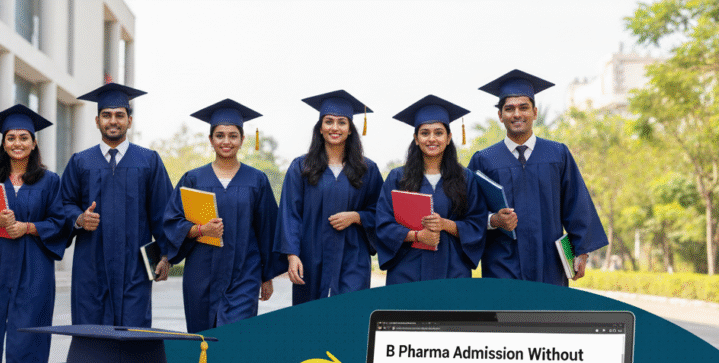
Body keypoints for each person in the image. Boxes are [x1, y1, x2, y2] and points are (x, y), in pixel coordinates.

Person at [468, 69, 608, 285]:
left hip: (550, 264)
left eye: (523, 107)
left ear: (534, 112)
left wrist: (581, 252)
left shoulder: (558, 154)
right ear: (500, 115)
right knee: (506, 318)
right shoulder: (484, 160)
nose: (517, 114)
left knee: (547, 318)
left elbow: (576, 205)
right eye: (509, 109)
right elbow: (469, 212)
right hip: (502, 265)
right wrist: (493, 220)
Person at [0, 104, 68, 363]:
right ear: (3, 143)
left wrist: (27, 227)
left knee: (29, 333)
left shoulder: (50, 181)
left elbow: (60, 221)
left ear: (33, 143)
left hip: (34, 265)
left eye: (23, 138)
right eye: (11, 138)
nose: (17, 143)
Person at [163, 99, 282, 333]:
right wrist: (199, 230)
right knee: (202, 338)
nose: (226, 141)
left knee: (237, 338)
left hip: (244, 275)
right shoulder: (193, 179)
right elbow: (172, 221)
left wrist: (266, 276)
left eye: (233, 135)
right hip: (201, 275)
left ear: (242, 139)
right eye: (219, 135)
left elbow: (267, 229)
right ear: (210, 140)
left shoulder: (257, 180)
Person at [60, 83, 174, 326]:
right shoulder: (80, 162)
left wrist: (165, 255)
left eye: (119, 115)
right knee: (91, 335)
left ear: (129, 121)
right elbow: (63, 204)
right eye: (106, 115)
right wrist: (79, 219)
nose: (113, 120)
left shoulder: (148, 160)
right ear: (97, 120)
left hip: (134, 266)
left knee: (133, 336)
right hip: (91, 266)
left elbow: (164, 212)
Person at [275, 90, 384, 304]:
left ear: (351, 129)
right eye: (329, 121)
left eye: (342, 122)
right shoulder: (301, 167)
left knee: (350, 316)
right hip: (310, 256)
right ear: (320, 128)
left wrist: (357, 217)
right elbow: (290, 214)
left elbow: (382, 211)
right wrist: (292, 255)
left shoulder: (367, 169)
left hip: (353, 256)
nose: (335, 128)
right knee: (310, 318)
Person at [375, 95, 487, 283]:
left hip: (453, 271)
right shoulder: (397, 178)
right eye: (425, 133)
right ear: (416, 139)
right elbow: (383, 225)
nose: (432, 139)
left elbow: (477, 223)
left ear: (449, 137)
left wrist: (445, 224)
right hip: (407, 271)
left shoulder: (465, 178)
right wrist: (418, 236)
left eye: (438, 132)